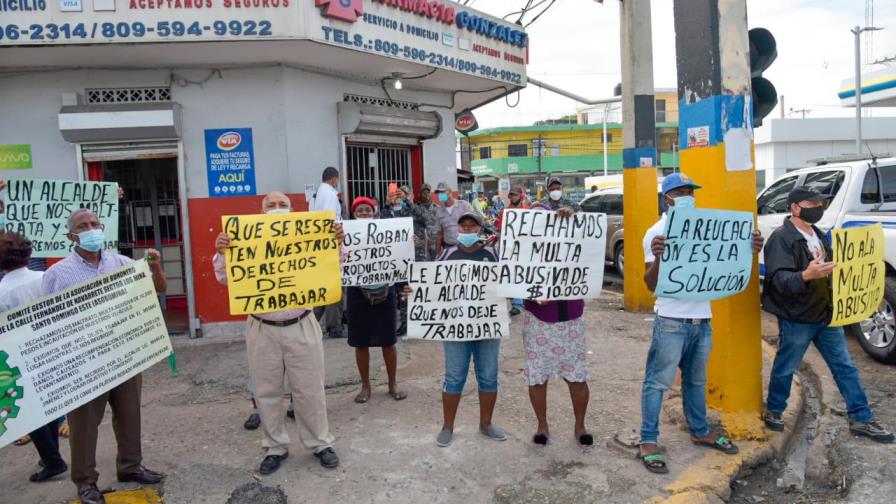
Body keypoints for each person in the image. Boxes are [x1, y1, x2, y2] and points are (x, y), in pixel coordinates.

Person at [639, 173, 765, 474]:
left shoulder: (707, 230)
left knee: (696, 381)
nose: (687, 196)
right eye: (680, 191)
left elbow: (726, 261)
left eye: (690, 191)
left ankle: (699, 429)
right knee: (657, 382)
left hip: (702, 320)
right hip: (671, 319)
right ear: (667, 198)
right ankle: (648, 440)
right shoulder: (656, 233)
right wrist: (658, 257)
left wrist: (751, 249)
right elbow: (651, 284)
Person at [41, 209, 167, 504]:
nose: (91, 229)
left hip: (124, 355)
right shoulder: (57, 274)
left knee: (129, 415)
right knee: (84, 425)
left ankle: (130, 467)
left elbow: (158, 288)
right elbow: (43, 322)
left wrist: (157, 266)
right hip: (84, 361)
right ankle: (85, 482)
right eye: (83, 226)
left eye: (95, 224)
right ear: (71, 235)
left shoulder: (123, 263)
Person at [213, 191, 342, 475]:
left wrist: (336, 241)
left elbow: (335, 266)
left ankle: (320, 442)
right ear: (261, 212)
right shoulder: (242, 241)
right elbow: (224, 278)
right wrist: (222, 251)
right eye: (270, 205)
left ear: (291, 210)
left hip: (302, 323)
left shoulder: (309, 237)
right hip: (262, 328)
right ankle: (275, 447)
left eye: (282, 205)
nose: (276, 209)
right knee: (267, 391)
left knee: (310, 389)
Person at [762, 186, 894, 443]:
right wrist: (805, 275)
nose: (818, 207)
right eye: (811, 202)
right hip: (797, 317)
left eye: (820, 202)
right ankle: (775, 410)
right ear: (795, 207)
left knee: (845, 367)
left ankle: (862, 418)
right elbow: (777, 280)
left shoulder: (818, 235)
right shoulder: (781, 239)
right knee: (786, 366)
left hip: (826, 315)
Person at [405, 211, 506, 447]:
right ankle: (447, 426)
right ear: (457, 230)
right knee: (453, 376)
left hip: (487, 326)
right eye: (464, 226)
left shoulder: (493, 253)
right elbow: (431, 284)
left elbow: (509, 281)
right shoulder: (447, 253)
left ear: (480, 229)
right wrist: (415, 291)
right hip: (455, 327)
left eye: (472, 226)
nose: (468, 230)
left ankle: (486, 424)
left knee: (489, 376)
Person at [522, 178, 591, 447]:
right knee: (537, 375)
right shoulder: (527, 248)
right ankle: (542, 425)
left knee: (577, 374)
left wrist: (572, 217)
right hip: (538, 318)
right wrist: (530, 292)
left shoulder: (572, 223)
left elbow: (590, 233)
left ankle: (580, 425)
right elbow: (515, 272)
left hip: (571, 315)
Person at [0, 232, 68, 483]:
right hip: (52, 349)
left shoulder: (3, 292)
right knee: (48, 403)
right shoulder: (45, 277)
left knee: (32, 410)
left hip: (22, 356)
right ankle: (51, 454)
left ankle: (53, 460)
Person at [346, 196, 407, 403]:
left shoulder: (387, 233)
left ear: (375, 213)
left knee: (388, 342)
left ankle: (392, 384)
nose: (364, 214)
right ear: (353, 215)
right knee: (360, 343)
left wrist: (408, 243)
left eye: (367, 210)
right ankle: (365, 387)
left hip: (385, 291)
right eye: (359, 211)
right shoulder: (345, 235)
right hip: (357, 293)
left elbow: (400, 256)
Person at [311, 167, 345, 338]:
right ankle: (335, 327)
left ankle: (310, 323)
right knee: (335, 288)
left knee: (323, 288)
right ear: (334, 179)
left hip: (322, 247)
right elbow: (332, 221)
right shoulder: (331, 195)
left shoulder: (319, 194)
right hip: (332, 246)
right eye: (337, 180)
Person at [495, 185, 529, 316]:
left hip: (526, 248)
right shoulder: (504, 212)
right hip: (510, 248)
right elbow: (500, 230)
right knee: (515, 275)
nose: (513, 197)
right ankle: (517, 303)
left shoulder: (529, 210)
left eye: (515, 194)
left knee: (526, 274)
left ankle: (526, 301)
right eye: (511, 195)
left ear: (521, 195)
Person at [434, 182, 474, 257]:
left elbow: (473, 227)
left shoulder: (464, 206)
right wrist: (437, 254)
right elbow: (439, 234)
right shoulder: (439, 211)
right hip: (449, 249)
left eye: (443, 192)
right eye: (439, 193)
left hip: (465, 248)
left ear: (450, 192)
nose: (440, 195)